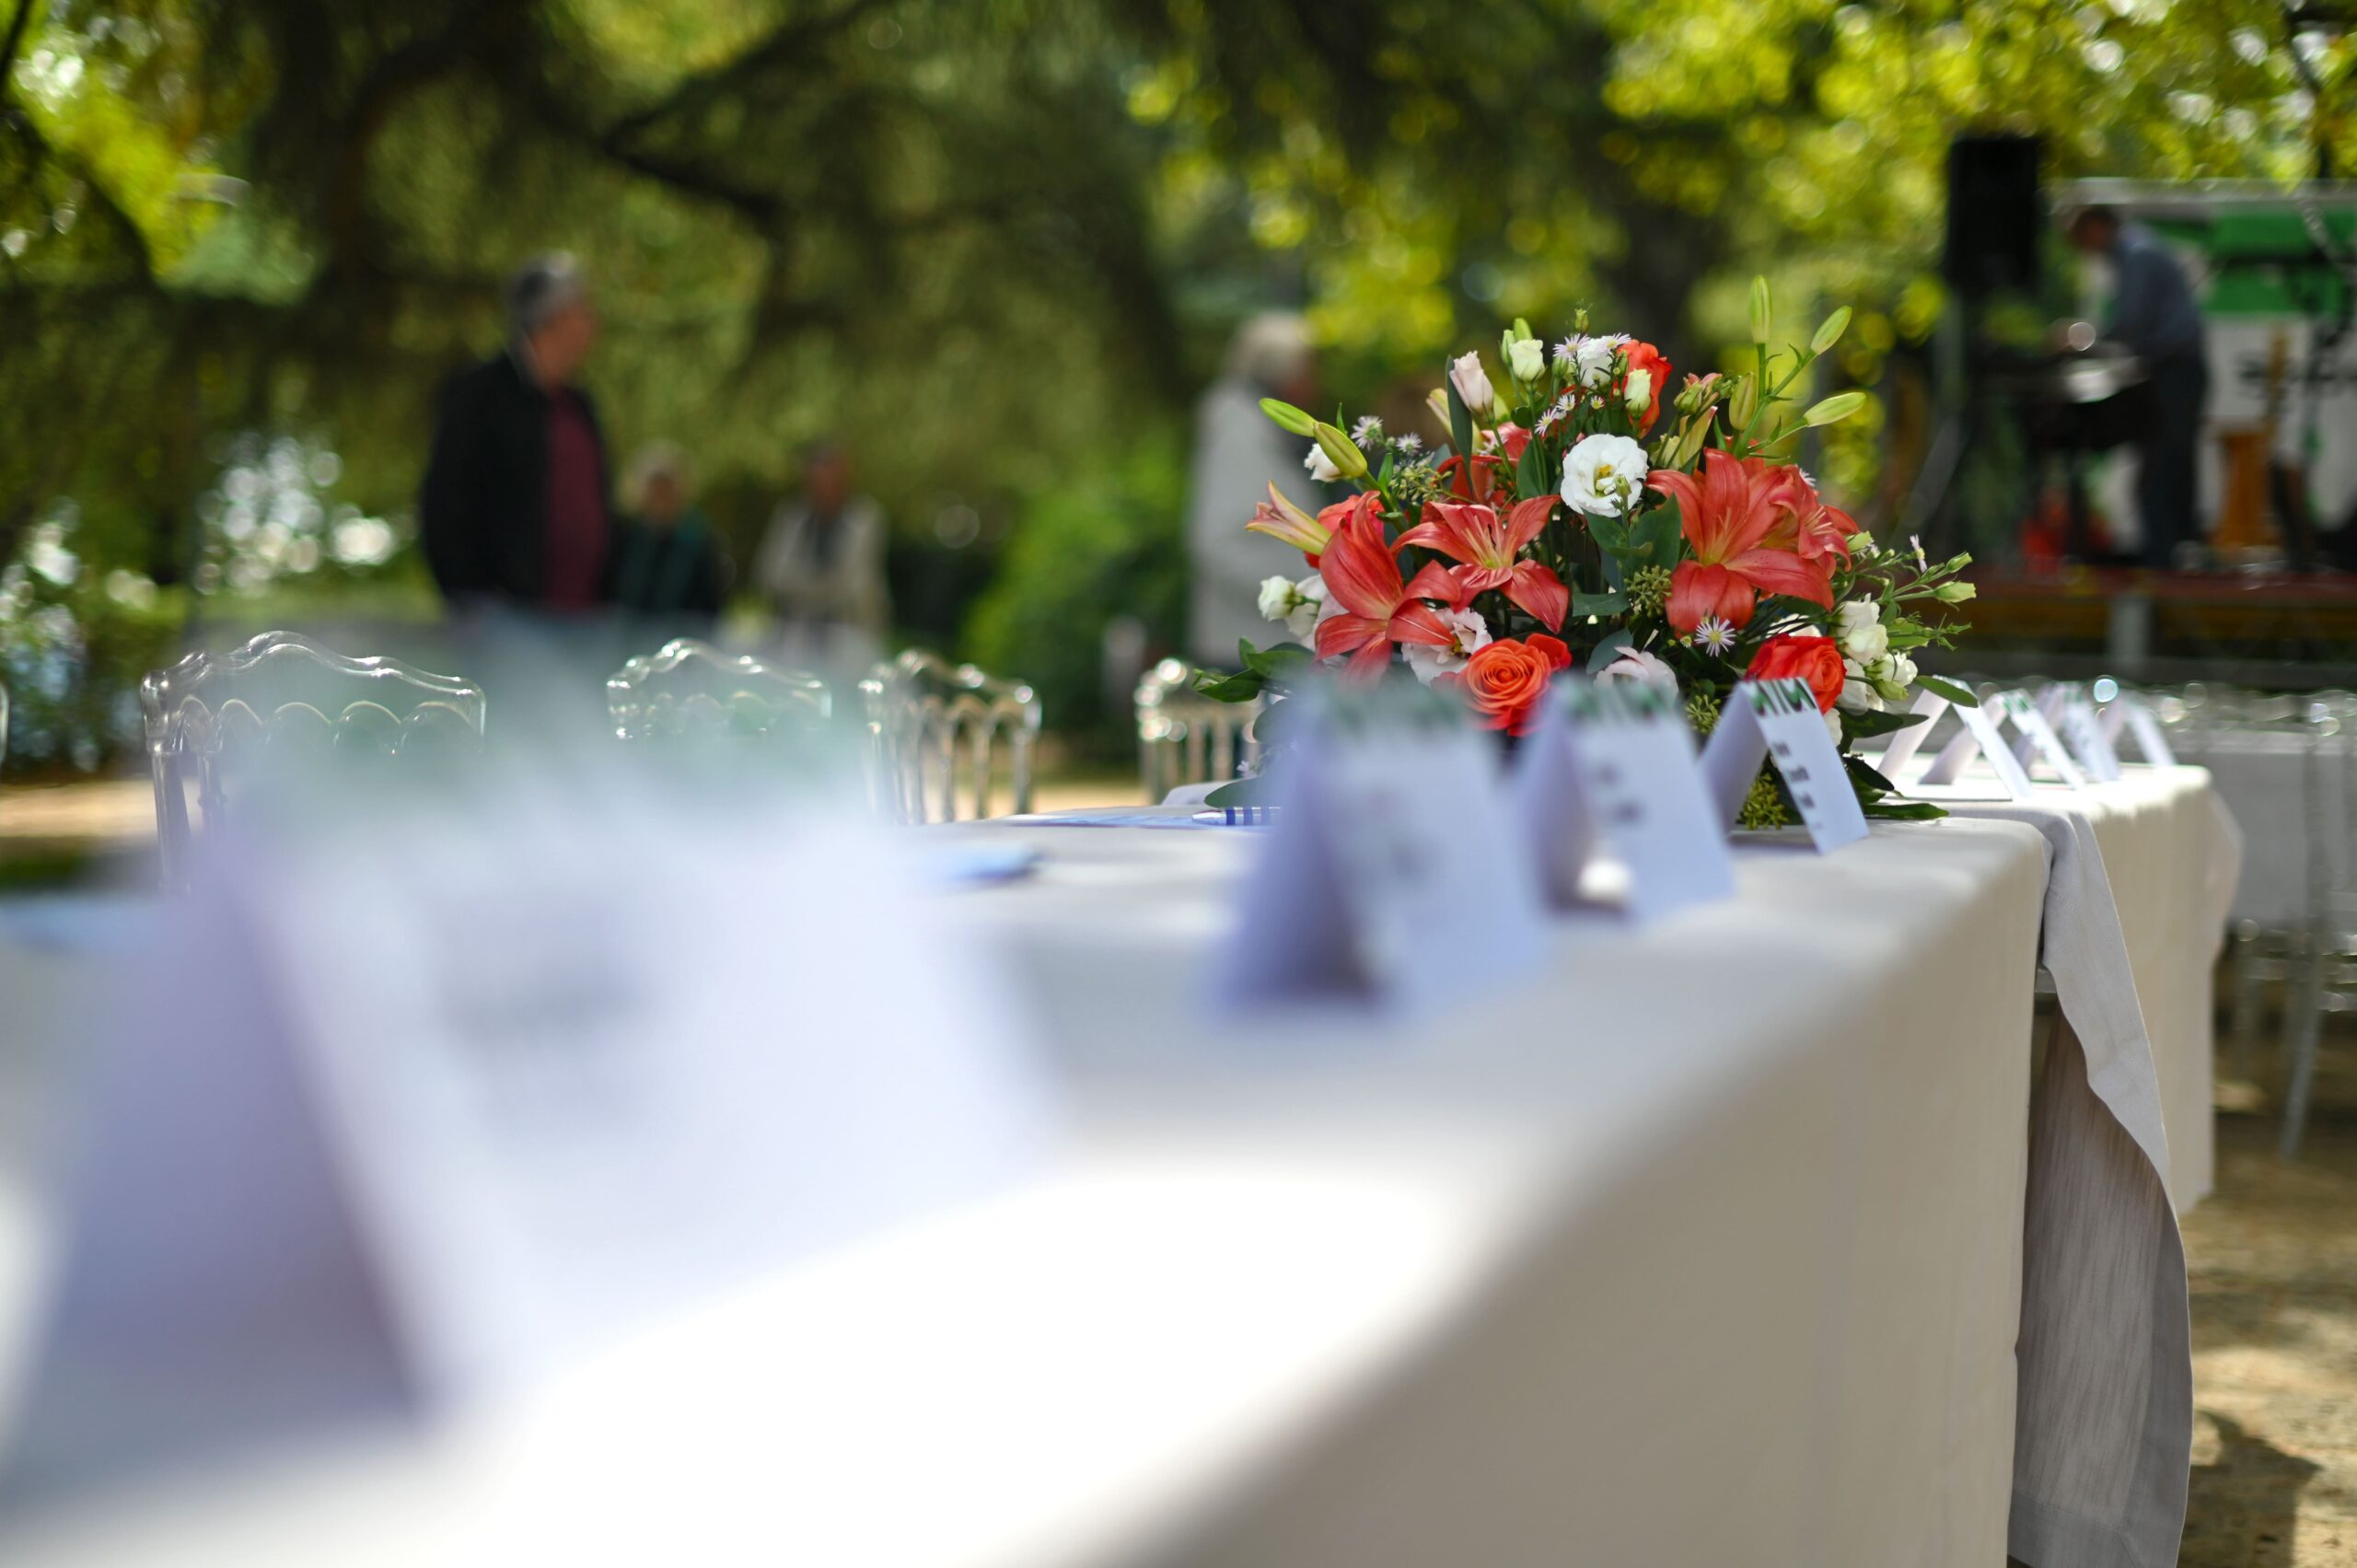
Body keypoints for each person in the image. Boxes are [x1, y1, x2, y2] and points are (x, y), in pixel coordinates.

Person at [420, 253, 614, 616]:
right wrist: (469, 596)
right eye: (581, 308)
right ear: (550, 317)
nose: (592, 321)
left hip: (582, 616)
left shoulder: (580, 406)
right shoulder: (479, 396)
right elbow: (445, 502)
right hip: (502, 615)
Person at [2067, 206, 2210, 570]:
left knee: (2160, 469)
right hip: (2173, 370)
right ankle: (2177, 553)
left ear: (2097, 227)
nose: (2085, 249)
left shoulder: (2137, 253)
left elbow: (2132, 322)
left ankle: (2163, 564)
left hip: (2174, 371)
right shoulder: (2139, 249)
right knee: (2170, 465)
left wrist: (2084, 342)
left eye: (2082, 238)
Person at [1187, 313, 1324, 668]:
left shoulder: (1259, 430)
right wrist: (1306, 597)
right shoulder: (1240, 435)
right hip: (1248, 649)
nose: (1315, 383)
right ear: (1282, 373)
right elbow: (1217, 543)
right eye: (1308, 370)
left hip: (1263, 643)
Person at [751, 441, 889, 668]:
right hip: (796, 642)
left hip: (850, 641)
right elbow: (770, 575)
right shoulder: (792, 518)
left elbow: (854, 586)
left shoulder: (865, 519)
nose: (825, 491)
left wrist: (802, 585)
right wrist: (825, 584)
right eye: (817, 483)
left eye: (833, 483)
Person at [607, 442, 727, 644]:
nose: (660, 497)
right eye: (655, 489)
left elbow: (709, 605)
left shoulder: (698, 541)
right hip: (629, 638)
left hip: (681, 640)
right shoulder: (626, 539)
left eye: (666, 489)